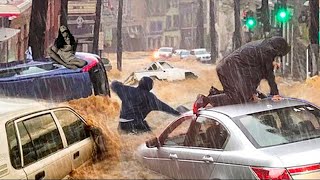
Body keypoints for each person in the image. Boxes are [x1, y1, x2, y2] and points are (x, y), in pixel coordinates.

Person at [196, 36, 291, 108]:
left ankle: (215, 94)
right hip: (230, 68)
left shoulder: (264, 47)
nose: (277, 57)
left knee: (241, 96)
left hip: (229, 67)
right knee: (239, 97)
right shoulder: (267, 51)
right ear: (278, 49)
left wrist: (253, 92)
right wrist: (275, 93)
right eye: (279, 55)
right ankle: (205, 100)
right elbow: (269, 74)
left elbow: (256, 73)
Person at [111, 77, 181, 134]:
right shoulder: (150, 97)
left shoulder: (127, 90)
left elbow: (113, 84)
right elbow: (165, 107)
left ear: (139, 83)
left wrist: (119, 83)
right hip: (136, 124)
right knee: (153, 138)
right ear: (150, 87)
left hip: (122, 124)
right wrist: (178, 114)